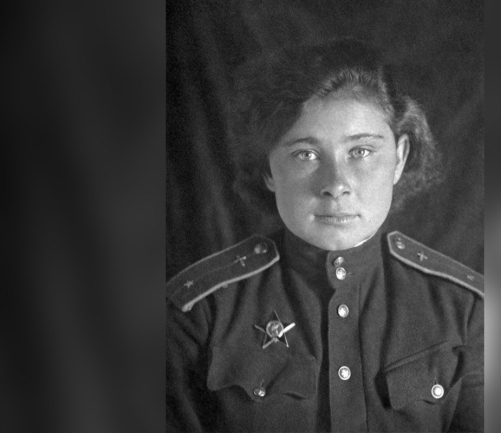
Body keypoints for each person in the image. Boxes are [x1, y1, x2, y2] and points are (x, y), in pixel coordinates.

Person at [166, 37, 483, 432]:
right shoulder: (199, 315)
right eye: (306, 154)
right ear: (267, 170)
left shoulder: (468, 311)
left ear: (399, 158)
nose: (336, 184)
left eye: (361, 151)